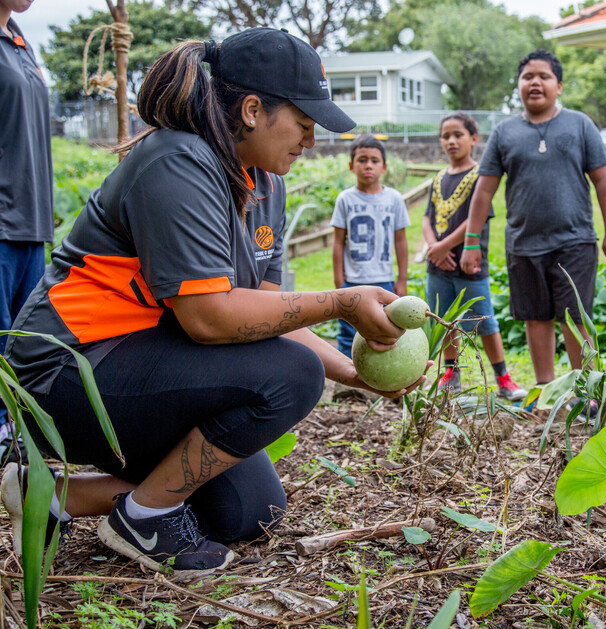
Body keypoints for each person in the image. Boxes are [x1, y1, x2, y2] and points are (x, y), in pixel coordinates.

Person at [0, 28, 429, 576]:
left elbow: (270, 313)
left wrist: (354, 371)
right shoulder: (178, 161)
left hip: (140, 367)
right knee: (292, 375)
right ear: (252, 110)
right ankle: (143, 517)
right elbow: (208, 319)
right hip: (66, 371)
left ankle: (55, 495)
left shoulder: (265, 183)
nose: (310, 141)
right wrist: (342, 301)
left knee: (251, 511)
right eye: (302, 123)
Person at [461, 49, 606, 388]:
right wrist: (471, 241)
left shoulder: (580, 124)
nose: (535, 82)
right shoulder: (504, 133)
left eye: (544, 76)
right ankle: (545, 390)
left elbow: (604, 182)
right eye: (527, 77)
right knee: (535, 318)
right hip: (523, 244)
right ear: (519, 86)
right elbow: (484, 191)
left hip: (576, 241)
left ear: (559, 86)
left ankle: (586, 391)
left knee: (576, 318)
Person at [423, 113, 527, 401]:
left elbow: (475, 219)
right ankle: (451, 372)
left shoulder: (480, 177)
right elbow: (426, 219)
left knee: (486, 321)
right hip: (438, 267)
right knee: (445, 320)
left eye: (458, 134)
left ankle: (503, 378)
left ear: (473, 138)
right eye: (446, 136)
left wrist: (445, 246)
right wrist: (435, 248)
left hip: (470, 265)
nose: (451, 141)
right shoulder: (439, 178)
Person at [0, 0, 53, 465]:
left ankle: (17, 438)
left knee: (23, 342)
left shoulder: (19, 40)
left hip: (30, 221)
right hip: (1, 222)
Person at [331, 134, 410, 358]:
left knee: (385, 330)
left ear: (384, 167)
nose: (368, 166)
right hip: (353, 280)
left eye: (375, 161)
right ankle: (347, 386)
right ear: (351, 165)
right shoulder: (345, 199)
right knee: (348, 332)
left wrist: (402, 279)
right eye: (362, 160)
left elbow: (400, 240)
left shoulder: (394, 199)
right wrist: (339, 281)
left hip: (384, 280)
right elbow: (338, 242)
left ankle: (386, 380)